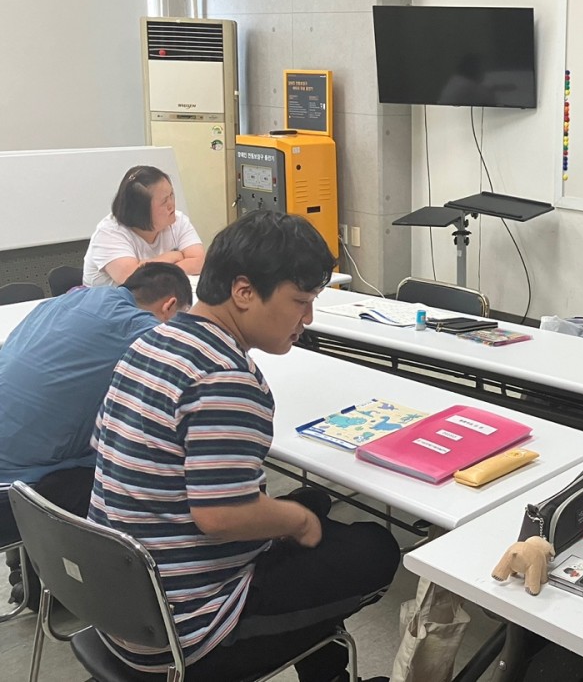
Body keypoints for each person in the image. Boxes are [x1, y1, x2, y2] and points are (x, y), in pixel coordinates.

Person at [89, 210, 399, 682]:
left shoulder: (152, 342)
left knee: (313, 504)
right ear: (244, 292)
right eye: (300, 301)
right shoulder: (224, 377)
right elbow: (221, 516)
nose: (308, 319)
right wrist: (298, 522)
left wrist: (296, 517)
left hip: (126, 604)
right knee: (373, 548)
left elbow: (110, 449)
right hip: (188, 630)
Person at [0, 263, 192, 607]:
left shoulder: (67, 300)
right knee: (141, 472)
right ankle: (72, 589)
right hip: (13, 494)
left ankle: (31, 571)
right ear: (169, 306)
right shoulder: (141, 329)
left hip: (11, 468)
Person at [83, 164, 206, 287]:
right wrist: (171, 256)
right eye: (164, 201)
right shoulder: (109, 233)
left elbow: (200, 262)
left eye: (171, 195)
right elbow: (131, 279)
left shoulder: (177, 220)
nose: (171, 205)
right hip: (110, 298)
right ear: (141, 210)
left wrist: (159, 269)